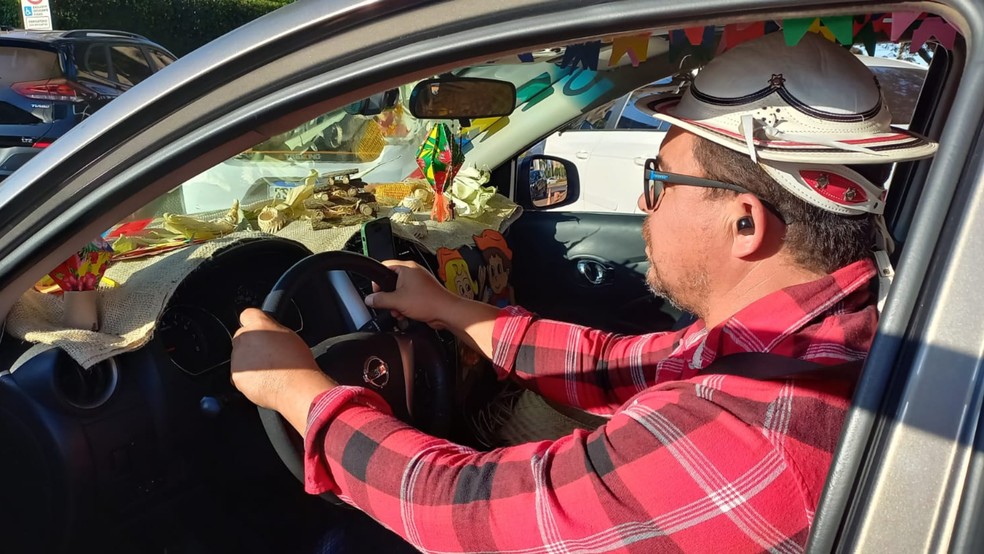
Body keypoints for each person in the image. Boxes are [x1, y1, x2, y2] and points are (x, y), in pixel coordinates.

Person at [230, 32, 937, 553]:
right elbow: (617, 366)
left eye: (659, 181)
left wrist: (299, 392)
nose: (642, 204)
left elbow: (462, 509)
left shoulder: (748, 434)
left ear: (744, 222)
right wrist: (451, 310)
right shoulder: (801, 335)